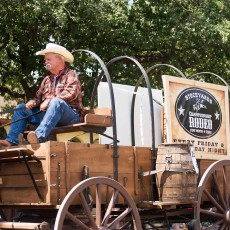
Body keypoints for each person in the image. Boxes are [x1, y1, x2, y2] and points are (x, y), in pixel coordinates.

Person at [0, 43, 83, 147]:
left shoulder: (71, 74)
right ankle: (11, 141)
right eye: (45, 60)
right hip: (48, 116)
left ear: (60, 59)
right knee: (21, 108)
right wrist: (33, 102)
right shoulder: (47, 80)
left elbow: (71, 94)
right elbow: (38, 98)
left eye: (48, 59)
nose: (45, 62)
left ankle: (38, 137)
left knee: (56, 102)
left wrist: (49, 101)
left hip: (70, 117)